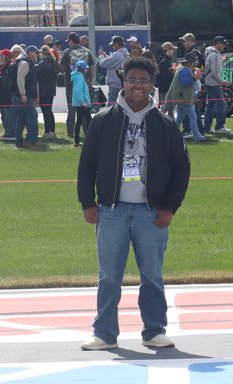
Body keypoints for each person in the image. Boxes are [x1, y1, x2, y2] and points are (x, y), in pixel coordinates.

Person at [77, 57, 191, 351]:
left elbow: (182, 167)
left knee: (152, 275)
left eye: (143, 81)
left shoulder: (164, 123)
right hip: (111, 211)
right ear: (123, 82)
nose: (137, 86)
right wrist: (88, 203)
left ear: (152, 85)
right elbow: (87, 164)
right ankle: (104, 332)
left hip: (151, 213)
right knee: (109, 276)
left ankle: (154, 330)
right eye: (132, 80)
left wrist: (169, 208)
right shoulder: (104, 119)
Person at [60, 32, 96, 138]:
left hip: (71, 85)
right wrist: (90, 81)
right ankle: (87, 131)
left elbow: (62, 68)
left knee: (71, 109)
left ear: (71, 41)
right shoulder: (87, 51)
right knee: (84, 108)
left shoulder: (67, 52)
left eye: (68, 41)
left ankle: (70, 132)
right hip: (84, 83)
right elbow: (92, 67)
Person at [165, 52, 206, 143]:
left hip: (181, 96)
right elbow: (184, 82)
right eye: (194, 61)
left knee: (179, 118)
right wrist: (195, 78)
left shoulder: (182, 68)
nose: (195, 63)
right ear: (191, 61)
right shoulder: (185, 70)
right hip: (183, 97)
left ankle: (171, 135)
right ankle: (197, 137)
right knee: (193, 116)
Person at [203, 36, 232, 135]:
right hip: (213, 84)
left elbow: (214, 68)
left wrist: (224, 59)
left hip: (209, 83)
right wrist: (222, 81)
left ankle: (207, 127)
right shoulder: (215, 55)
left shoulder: (212, 54)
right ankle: (219, 126)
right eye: (223, 44)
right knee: (222, 104)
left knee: (210, 105)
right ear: (218, 43)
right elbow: (214, 72)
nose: (224, 46)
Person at [14, 45, 40, 148]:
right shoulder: (25, 63)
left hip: (27, 96)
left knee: (22, 119)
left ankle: (19, 141)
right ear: (29, 53)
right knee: (33, 117)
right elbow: (20, 79)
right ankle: (33, 140)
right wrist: (23, 94)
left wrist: (35, 95)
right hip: (25, 96)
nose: (36, 54)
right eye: (35, 52)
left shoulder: (29, 63)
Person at [97, 35, 129, 104]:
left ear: (117, 44)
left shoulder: (117, 55)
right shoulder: (125, 54)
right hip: (121, 84)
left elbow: (103, 64)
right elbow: (112, 62)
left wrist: (101, 56)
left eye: (113, 44)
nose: (113, 46)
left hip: (115, 85)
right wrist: (105, 55)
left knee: (111, 107)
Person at [37, 45, 58, 138]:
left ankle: (47, 132)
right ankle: (52, 131)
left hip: (43, 90)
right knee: (49, 111)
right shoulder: (53, 62)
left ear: (43, 53)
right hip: (51, 90)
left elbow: (37, 75)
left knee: (46, 112)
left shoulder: (42, 63)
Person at [72, 60, 92, 147]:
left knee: (79, 122)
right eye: (86, 68)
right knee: (90, 122)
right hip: (82, 104)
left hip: (79, 103)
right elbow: (78, 91)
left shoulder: (77, 76)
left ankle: (77, 142)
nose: (87, 70)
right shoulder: (80, 77)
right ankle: (90, 141)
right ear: (83, 69)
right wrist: (83, 102)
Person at [156, 42, 177, 117]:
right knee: (165, 108)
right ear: (167, 49)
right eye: (172, 49)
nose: (173, 51)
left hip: (166, 88)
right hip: (166, 89)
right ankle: (158, 120)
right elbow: (166, 77)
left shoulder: (167, 60)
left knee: (170, 108)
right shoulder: (165, 61)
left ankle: (172, 124)